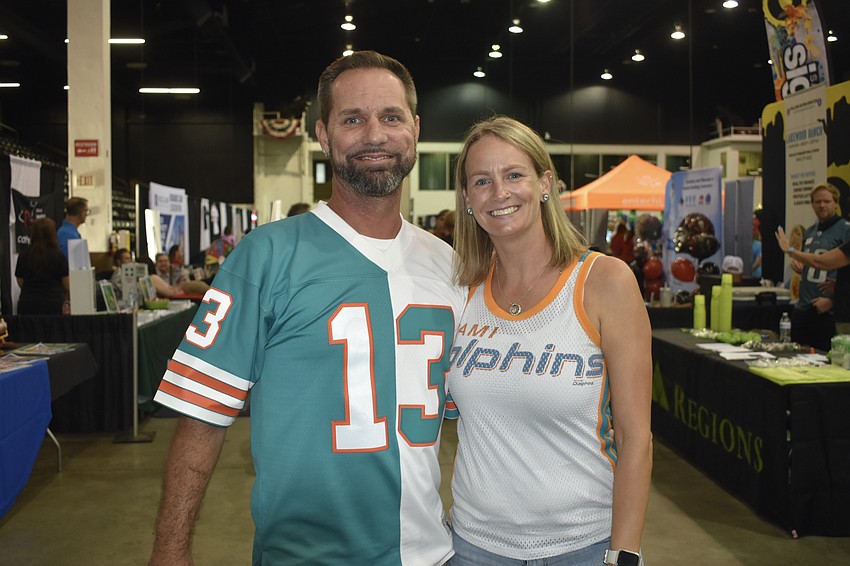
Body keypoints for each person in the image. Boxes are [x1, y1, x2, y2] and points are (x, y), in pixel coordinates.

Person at [149, 50, 465, 565]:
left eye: (391, 117)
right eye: (352, 119)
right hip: (304, 556)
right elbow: (202, 415)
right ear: (323, 134)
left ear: (415, 128)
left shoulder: (448, 265)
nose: (375, 135)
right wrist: (170, 550)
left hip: (432, 553)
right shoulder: (266, 256)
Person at [446, 116, 652, 566]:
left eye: (513, 175)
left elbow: (635, 436)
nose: (499, 192)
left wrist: (624, 554)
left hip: (582, 546)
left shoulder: (605, 282)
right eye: (482, 181)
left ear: (544, 184)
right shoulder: (460, 291)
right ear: (467, 198)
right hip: (474, 546)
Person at [786, 182, 850, 351]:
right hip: (803, 306)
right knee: (796, 355)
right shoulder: (809, 231)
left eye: (827, 201)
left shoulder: (845, 230)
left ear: (836, 203)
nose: (822, 205)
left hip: (827, 309)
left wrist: (832, 301)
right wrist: (799, 265)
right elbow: (811, 261)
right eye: (818, 201)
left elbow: (824, 262)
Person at [777, 225, 850, 335]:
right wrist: (841, 284)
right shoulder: (810, 231)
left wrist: (790, 250)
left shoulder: (844, 229)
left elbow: (821, 262)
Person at [15, 217, 69, 315]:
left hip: (27, 304)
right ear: (52, 235)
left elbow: (20, 282)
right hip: (53, 305)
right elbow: (66, 284)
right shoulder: (59, 257)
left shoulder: (23, 255)